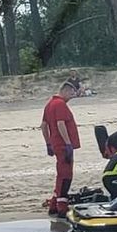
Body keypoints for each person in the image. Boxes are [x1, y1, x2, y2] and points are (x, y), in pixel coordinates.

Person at [41, 78, 81, 216]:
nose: (72, 96)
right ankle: (62, 206)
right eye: (71, 93)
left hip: (56, 144)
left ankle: (54, 204)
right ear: (64, 90)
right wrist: (68, 143)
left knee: (60, 175)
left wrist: (48, 143)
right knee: (66, 175)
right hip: (63, 145)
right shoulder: (60, 104)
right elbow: (60, 124)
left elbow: (44, 126)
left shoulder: (49, 104)